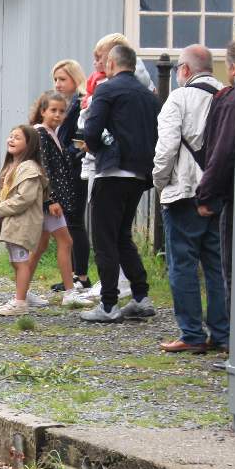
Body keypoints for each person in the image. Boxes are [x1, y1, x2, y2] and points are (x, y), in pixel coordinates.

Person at [151, 45, 228, 353]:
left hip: (184, 193)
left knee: (182, 265)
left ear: (183, 70)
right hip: (220, 193)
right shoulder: (229, 96)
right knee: (217, 266)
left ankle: (191, 334)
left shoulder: (178, 98)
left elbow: (166, 148)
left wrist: (160, 183)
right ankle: (222, 334)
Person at [80, 43, 161, 323]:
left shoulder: (107, 89)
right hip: (139, 174)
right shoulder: (149, 97)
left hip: (111, 172)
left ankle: (108, 304)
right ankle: (140, 297)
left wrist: (99, 146)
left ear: (112, 65)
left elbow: (91, 130)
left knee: (104, 239)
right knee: (122, 236)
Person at [29, 91, 87, 306]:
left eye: (62, 111)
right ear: (42, 111)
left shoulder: (51, 133)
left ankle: (23, 289)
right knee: (66, 241)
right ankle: (69, 292)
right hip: (49, 201)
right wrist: (51, 199)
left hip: (49, 200)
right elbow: (44, 168)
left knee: (40, 246)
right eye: (53, 110)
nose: (58, 115)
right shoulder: (42, 134)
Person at [197, 39, 235, 318]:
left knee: (232, 269)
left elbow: (222, 151)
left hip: (234, 197)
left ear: (233, 68)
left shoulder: (232, 100)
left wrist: (205, 193)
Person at [0, 125, 51, 317]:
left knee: (21, 262)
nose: (11, 140)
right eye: (10, 136)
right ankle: (20, 296)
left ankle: (20, 302)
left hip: (22, 223)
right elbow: (4, 190)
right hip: (12, 222)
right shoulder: (12, 166)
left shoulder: (30, 169)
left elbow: (24, 198)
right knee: (16, 261)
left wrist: (0, 208)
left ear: (29, 144)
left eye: (17, 138)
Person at [50, 60, 92, 292]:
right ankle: (75, 272)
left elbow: (79, 140)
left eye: (62, 79)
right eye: (56, 79)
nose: (58, 84)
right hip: (65, 170)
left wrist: (68, 157)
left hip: (75, 170)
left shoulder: (79, 104)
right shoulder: (64, 105)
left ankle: (82, 275)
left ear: (75, 79)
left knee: (75, 221)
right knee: (68, 222)